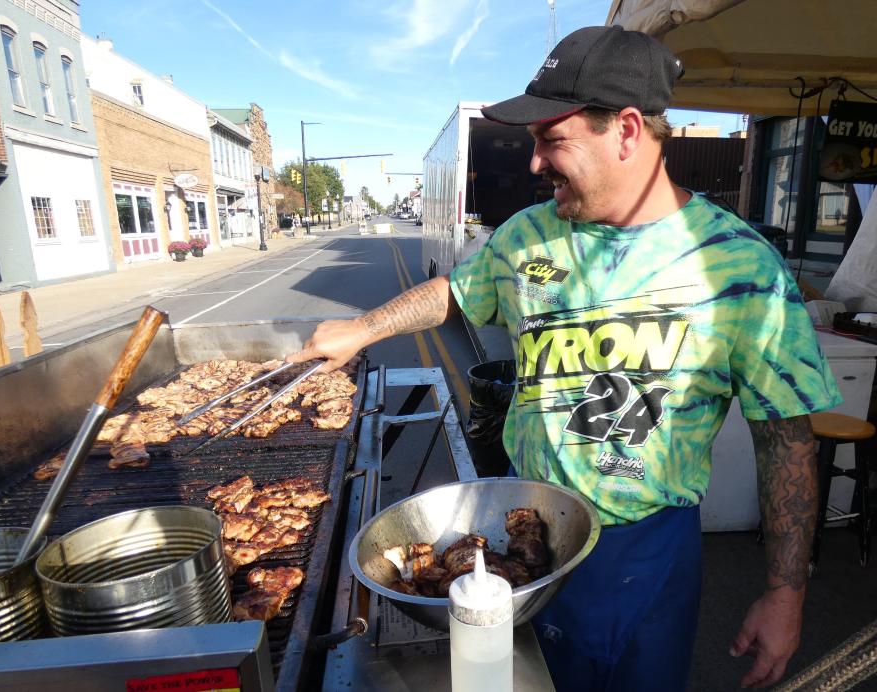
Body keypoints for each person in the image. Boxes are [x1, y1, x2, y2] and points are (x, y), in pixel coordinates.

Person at [287, 25, 841, 691]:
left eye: (552, 139)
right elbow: (457, 295)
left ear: (627, 132)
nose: (534, 164)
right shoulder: (527, 235)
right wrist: (363, 329)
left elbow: (786, 438)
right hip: (531, 536)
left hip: (651, 552)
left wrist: (786, 595)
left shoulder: (742, 269)